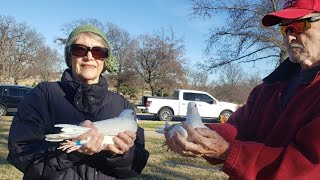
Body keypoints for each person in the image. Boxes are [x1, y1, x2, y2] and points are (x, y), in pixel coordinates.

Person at [165, 0, 320, 179]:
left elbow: (305, 165)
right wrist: (196, 132)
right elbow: (237, 127)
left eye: (299, 26)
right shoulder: (268, 88)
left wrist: (228, 152)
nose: (289, 38)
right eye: (285, 29)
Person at [7, 24, 149, 180]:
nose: (89, 57)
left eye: (98, 51)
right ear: (69, 56)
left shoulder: (122, 105)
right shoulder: (43, 95)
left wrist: (121, 154)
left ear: (105, 60)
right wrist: (72, 149)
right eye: (79, 49)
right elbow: (21, 155)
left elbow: (135, 166)